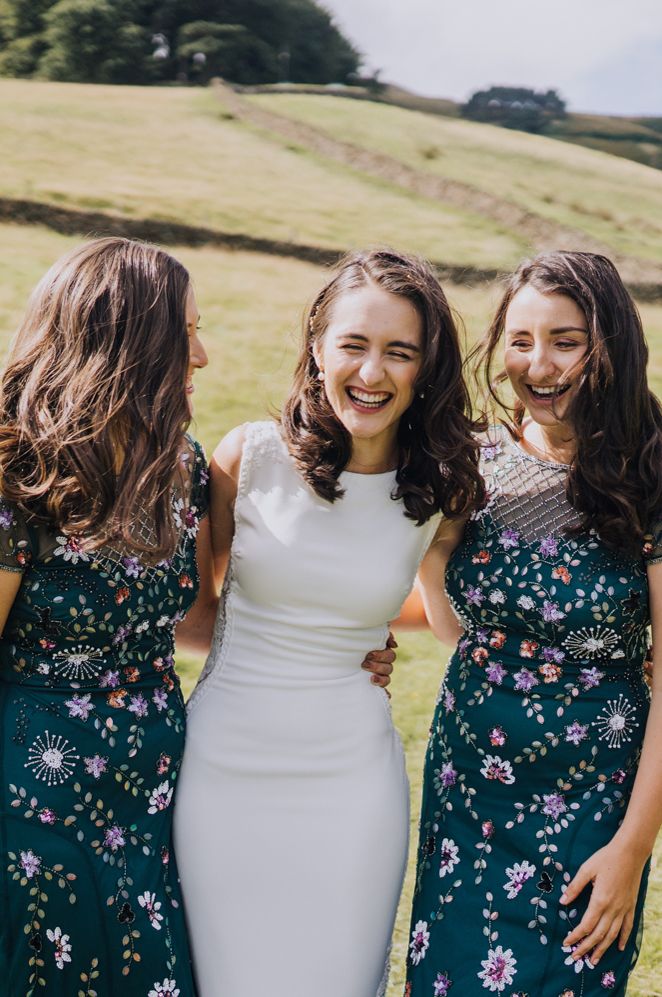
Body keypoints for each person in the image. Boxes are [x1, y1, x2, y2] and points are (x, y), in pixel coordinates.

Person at [173, 248, 485, 997]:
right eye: (353, 344)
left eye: (398, 352)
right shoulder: (246, 457)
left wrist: (365, 634)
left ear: (425, 368)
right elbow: (190, 616)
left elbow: (447, 619)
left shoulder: (444, 489)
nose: (372, 372)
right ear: (318, 346)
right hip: (224, 772)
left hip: (352, 786)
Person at [404, 251, 662, 996]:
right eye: (520, 340)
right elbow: (463, 634)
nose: (538, 364)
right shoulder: (473, 461)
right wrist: (439, 547)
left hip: (591, 807)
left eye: (566, 340)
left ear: (611, 343)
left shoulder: (652, 475)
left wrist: (632, 850)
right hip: (465, 795)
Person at [0, 237, 217, 996]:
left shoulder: (181, 464)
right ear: (128, 342)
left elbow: (195, 621)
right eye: (186, 332)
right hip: (37, 783)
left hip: (154, 785)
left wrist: (330, 648)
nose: (205, 354)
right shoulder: (17, 462)